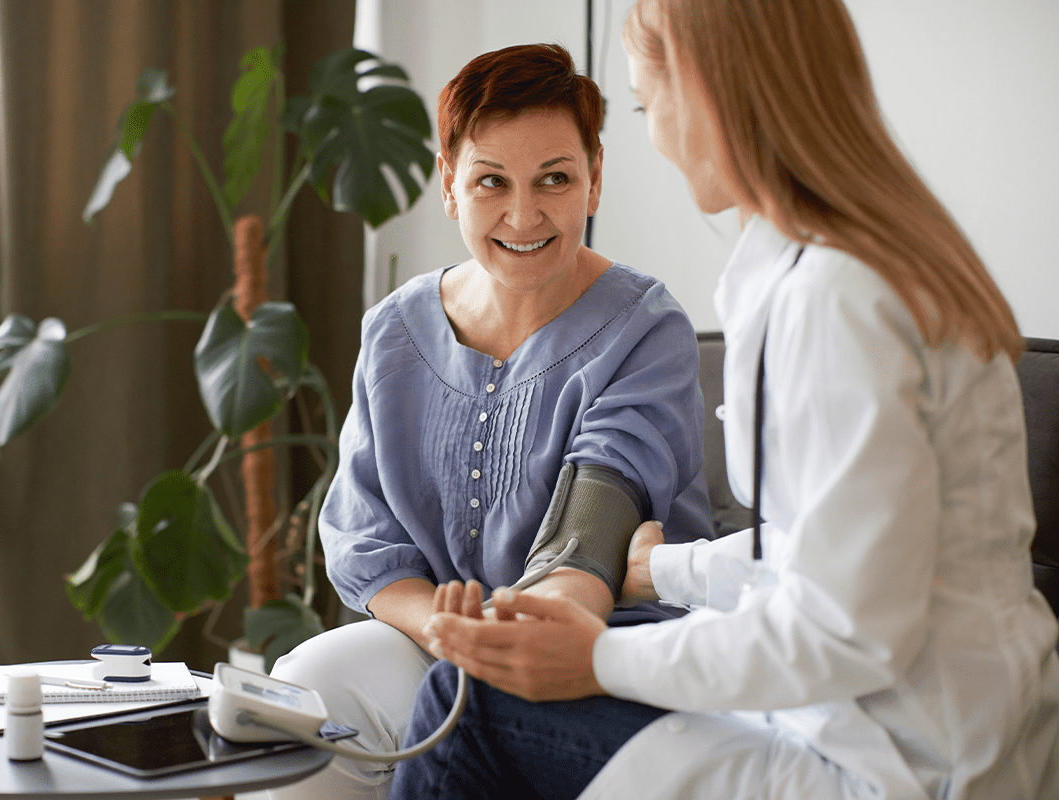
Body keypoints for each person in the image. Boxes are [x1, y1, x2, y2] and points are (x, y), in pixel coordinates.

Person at [388, 1, 1059, 798]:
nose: (661, 140)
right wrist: (669, 570)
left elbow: (850, 628)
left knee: (467, 707)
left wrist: (595, 656)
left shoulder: (834, 297)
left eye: (648, 105)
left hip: (896, 764)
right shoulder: (861, 256)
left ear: (708, 91)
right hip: (930, 728)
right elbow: (845, 552)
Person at [263, 42, 713, 800]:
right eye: (491, 181)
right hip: (436, 639)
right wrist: (442, 627)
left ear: (595, 178)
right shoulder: (396, 331)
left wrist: (519, 638)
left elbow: (597, 517)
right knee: (304, 692)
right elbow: (367, 537)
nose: (523, 213)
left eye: (555, 180)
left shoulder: (646, 326)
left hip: (599, 641)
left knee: (472, 702)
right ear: (449, 184)